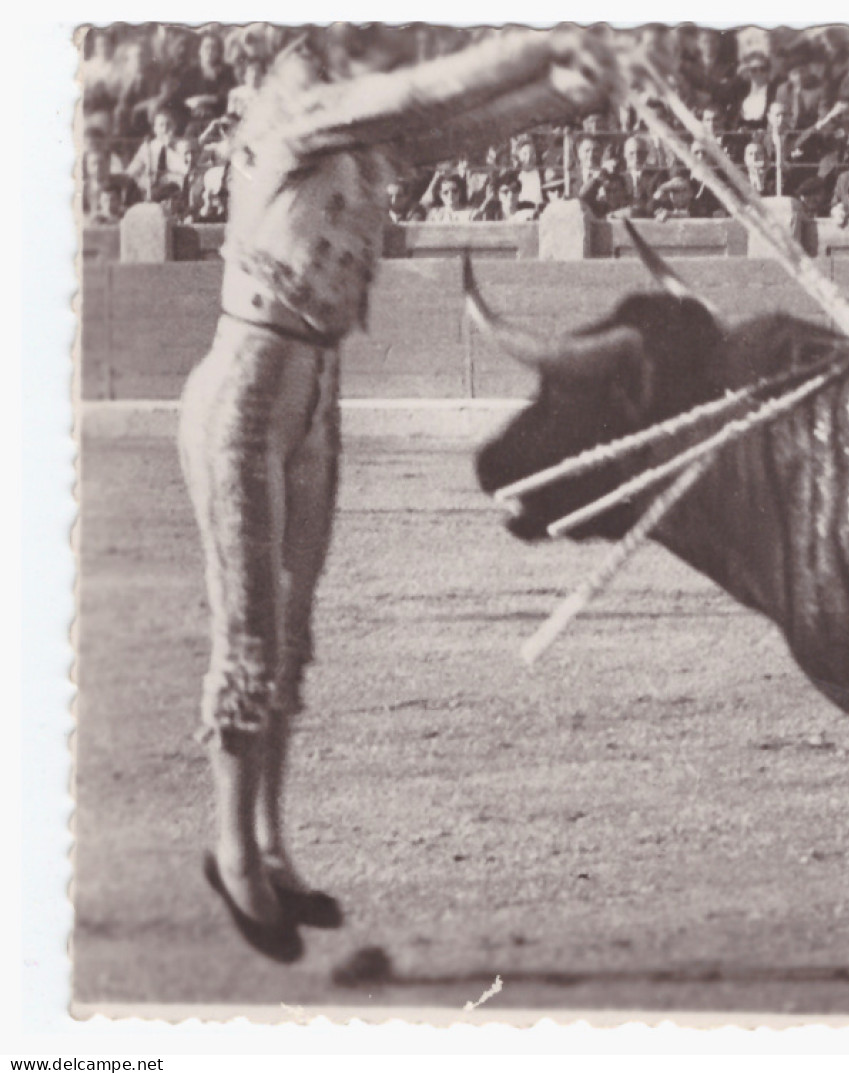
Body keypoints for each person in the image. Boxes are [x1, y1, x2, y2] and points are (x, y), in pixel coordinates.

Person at [176, 23, 621, 963]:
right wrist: (544, 38)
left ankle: (269, 841)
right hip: (246, 396)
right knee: (250, 633)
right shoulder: (296, 108)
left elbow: (444, 130)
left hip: (311, 396)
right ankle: (229, 845)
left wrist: (563, 92)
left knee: (289, 635)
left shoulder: (349, 130)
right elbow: (423, 96)